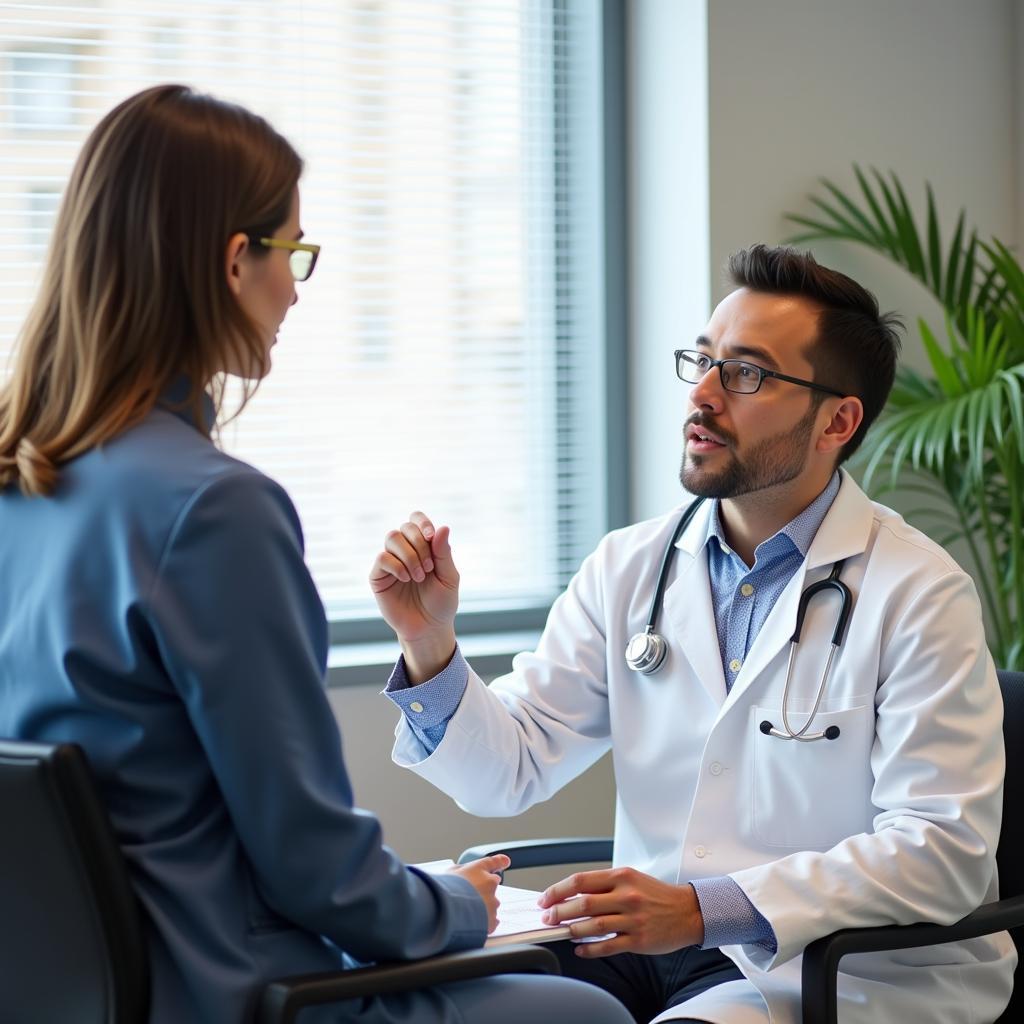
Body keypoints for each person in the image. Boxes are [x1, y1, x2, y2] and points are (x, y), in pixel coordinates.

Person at [0, 85, 634, 1024]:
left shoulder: (26, 488)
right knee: (587, 1012)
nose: (296, 286)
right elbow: (312, 866)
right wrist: (456, 904)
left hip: (72, 994)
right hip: (238, 993)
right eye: (292, 252)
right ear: (232, 260)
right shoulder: (214, 510)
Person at [370, 244, 1017, 1024]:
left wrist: (706, 909)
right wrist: (430, 643)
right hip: (640, 949)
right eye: (703, 362)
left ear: (837, 421)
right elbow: (504, 773)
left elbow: (940, 851)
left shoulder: (919, 591)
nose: (703, 396)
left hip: (839, 972)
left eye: (746, 374)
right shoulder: (631, 566)